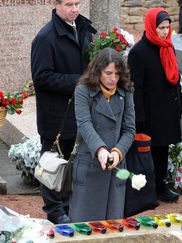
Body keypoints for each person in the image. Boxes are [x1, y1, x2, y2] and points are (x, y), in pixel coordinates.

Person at [30, 0, 96, 224]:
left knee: (73, 161)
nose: (75, 9)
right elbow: (41, 76)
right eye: (69, 4)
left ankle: (69, 206)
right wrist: (80, 81)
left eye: (78, 3)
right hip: (56, 114)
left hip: (79, 110)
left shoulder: (85, 30)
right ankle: (55, 210)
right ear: (56, 5)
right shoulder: (45, 38)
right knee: (52, 160)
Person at [69, 48, 135, 222]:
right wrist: (100, 150)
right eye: (108, 73)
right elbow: (84, 124)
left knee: (112, 226)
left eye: (117, 74)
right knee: (84, 226)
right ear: (97, 71)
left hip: (116, 167)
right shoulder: (83, 91)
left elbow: (129, 129)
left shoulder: (125, 92)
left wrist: (117, 152)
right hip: (89, 164)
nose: (113, 79)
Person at [128, 8, 182, 203]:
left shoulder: (168, 47)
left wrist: (180, 101)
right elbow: (136, 87)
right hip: (150, 113)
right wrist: (140, 117)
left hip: (167, 109)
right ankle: (147, 189)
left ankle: (161, 186)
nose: (165, 32)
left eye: (168, 27)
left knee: (162, 151)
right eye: (161, 28)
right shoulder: (139, 52)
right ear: (152, 26)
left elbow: (176, 78)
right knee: (148, 154)